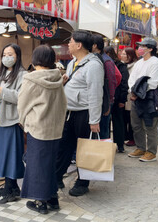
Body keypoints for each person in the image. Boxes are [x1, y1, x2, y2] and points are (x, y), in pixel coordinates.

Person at [18, 45, 67, 214]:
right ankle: (52, 198)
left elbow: (22, 104)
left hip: (38, 128)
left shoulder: (31, 79)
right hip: (55, 128)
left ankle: (40, 202)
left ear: (35, 59)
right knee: (49, 164)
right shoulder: (57, 77)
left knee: (37, 165)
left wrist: (23, 122)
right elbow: (63, 103)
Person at [55, 30, 104, 197]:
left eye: (71, 41)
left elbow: (96, 93)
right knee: (63, 147)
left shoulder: (94, 65)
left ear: (79, 45)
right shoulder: (73, 62)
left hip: (85, 113)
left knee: (84, 149)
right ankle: (56, 177)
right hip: (69, 111)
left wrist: (94, 119)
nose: (68, 44)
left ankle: (83, 182)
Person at [0, 43, 26, 204]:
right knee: (3, 154)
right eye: (4, 54)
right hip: (0, 119)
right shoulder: (0, 73)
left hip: (12, 120)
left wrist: (2, 92)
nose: (6, 57)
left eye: (10, 54)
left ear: (17, 56)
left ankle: (10, 189)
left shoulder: (23, 74)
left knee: (11, 155)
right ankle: (12, 186)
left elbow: (22, 97)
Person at [127, 37, 158, 162]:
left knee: (150, 125)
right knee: (136, 125)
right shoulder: (139, 62)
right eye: (140, 46)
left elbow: (153, 82)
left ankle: (152, 152)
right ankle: (141, 148)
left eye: (143, 46)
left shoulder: (155, 62)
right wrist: (132, 91)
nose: (140, 49)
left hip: (150, 98)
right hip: (136, 97)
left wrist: (137, 93)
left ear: (150, 49)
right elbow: (131, 79)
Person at [92, 35, 117, 139]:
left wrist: (109, 102)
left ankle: (104, 154)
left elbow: (112, 82)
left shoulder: (106, 61)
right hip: (97, 100)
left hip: (104, 101)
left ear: (95, 46)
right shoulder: (93, 59)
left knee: (103, 130)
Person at [105, 46, 129, 153]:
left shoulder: (120, 66)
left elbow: (124, 83)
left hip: (116, 97)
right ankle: (116, 145)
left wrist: (122, 100)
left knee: (116, 122)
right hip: (113, 97)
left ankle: (119, 145)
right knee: (115, 122)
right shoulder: (117, 65)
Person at [121, 47, 138, 147]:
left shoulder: (135, 66)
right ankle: (126, 137)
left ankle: (133, 138)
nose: (122, 55)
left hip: (131, 95)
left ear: (130, 56)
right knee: (125, 117)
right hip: (124, 95)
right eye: (122, 54)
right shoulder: (123, 66)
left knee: (131, 118)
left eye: (124, 54)